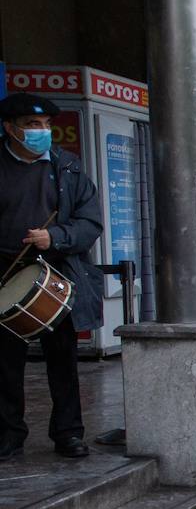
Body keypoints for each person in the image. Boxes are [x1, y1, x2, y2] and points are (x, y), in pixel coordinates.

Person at [0, 92, 104, 462]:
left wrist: (55, 237)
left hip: (56, 271)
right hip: (7, 272)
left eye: (45, 125)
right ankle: (9, 434)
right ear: (11, 129)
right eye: (32, 125)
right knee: (6, 362)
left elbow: (90, 222)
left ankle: (68, 432)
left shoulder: (68, 167)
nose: (41, 132)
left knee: (63, 358)